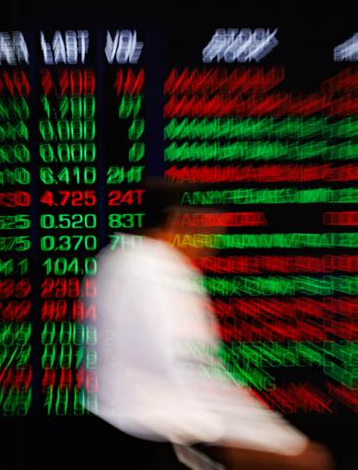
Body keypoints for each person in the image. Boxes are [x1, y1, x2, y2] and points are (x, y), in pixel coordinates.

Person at [83, 178, 333, 469]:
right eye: (211, 225)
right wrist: (280, 444)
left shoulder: (119, 260)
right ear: (182, 220)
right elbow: (193, 370)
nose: (215, 238)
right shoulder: (160, 272)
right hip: (155, 444)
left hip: (122, 435)